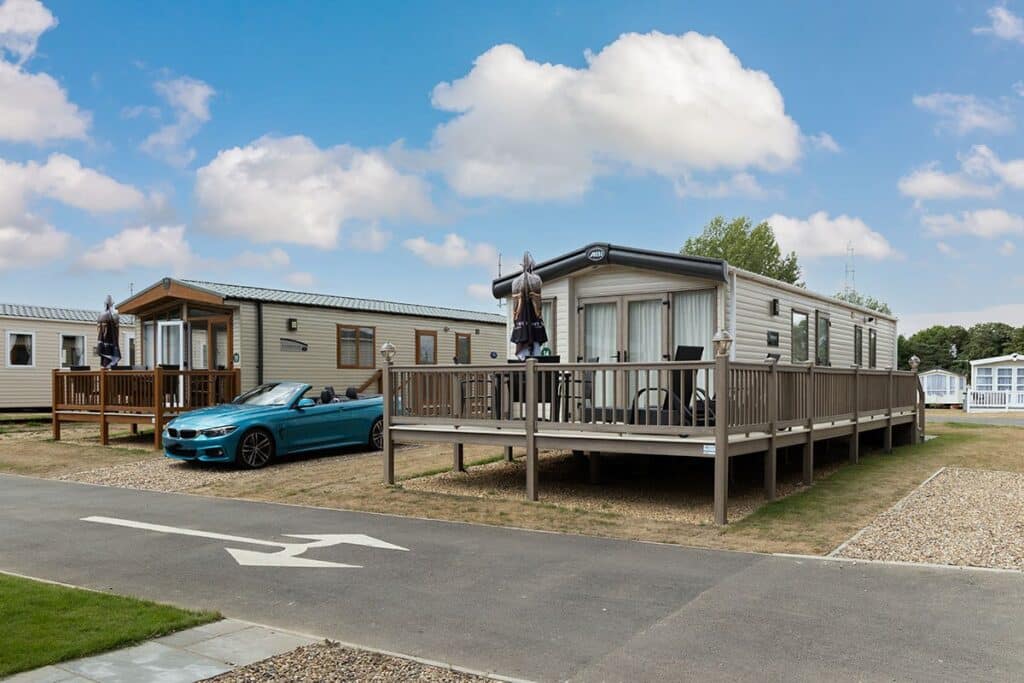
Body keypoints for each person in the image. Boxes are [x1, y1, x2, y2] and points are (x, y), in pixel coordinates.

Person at [510, 252, 548, 360]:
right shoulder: (536, 281)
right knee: (535, 355)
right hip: (532, 328)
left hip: (523, 330)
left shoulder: (515, 283)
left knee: (526, 356)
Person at [97, 295, 121, 368]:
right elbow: (116, 329)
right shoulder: (114, 314)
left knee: (107, 359)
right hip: (110, 342)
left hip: (108, 342)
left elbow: (99, 330)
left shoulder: (101, 315)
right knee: (108, 359)